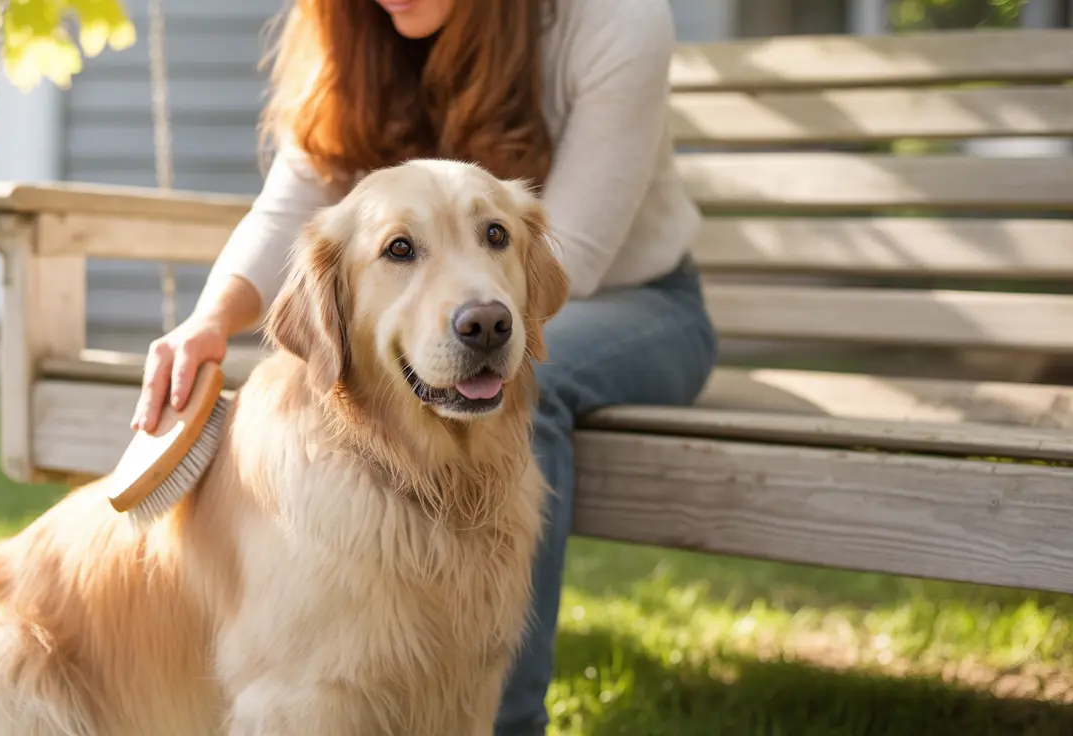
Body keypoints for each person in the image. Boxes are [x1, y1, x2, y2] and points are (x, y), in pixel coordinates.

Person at [130, 0, 718, 732]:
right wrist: (207, 322)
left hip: (638, 304)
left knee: (533, 377)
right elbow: (293, 211)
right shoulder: (354, 30)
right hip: (448, 312)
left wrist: (455, 299)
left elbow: (571, 255)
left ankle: (507, 719)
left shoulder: (614, 22)